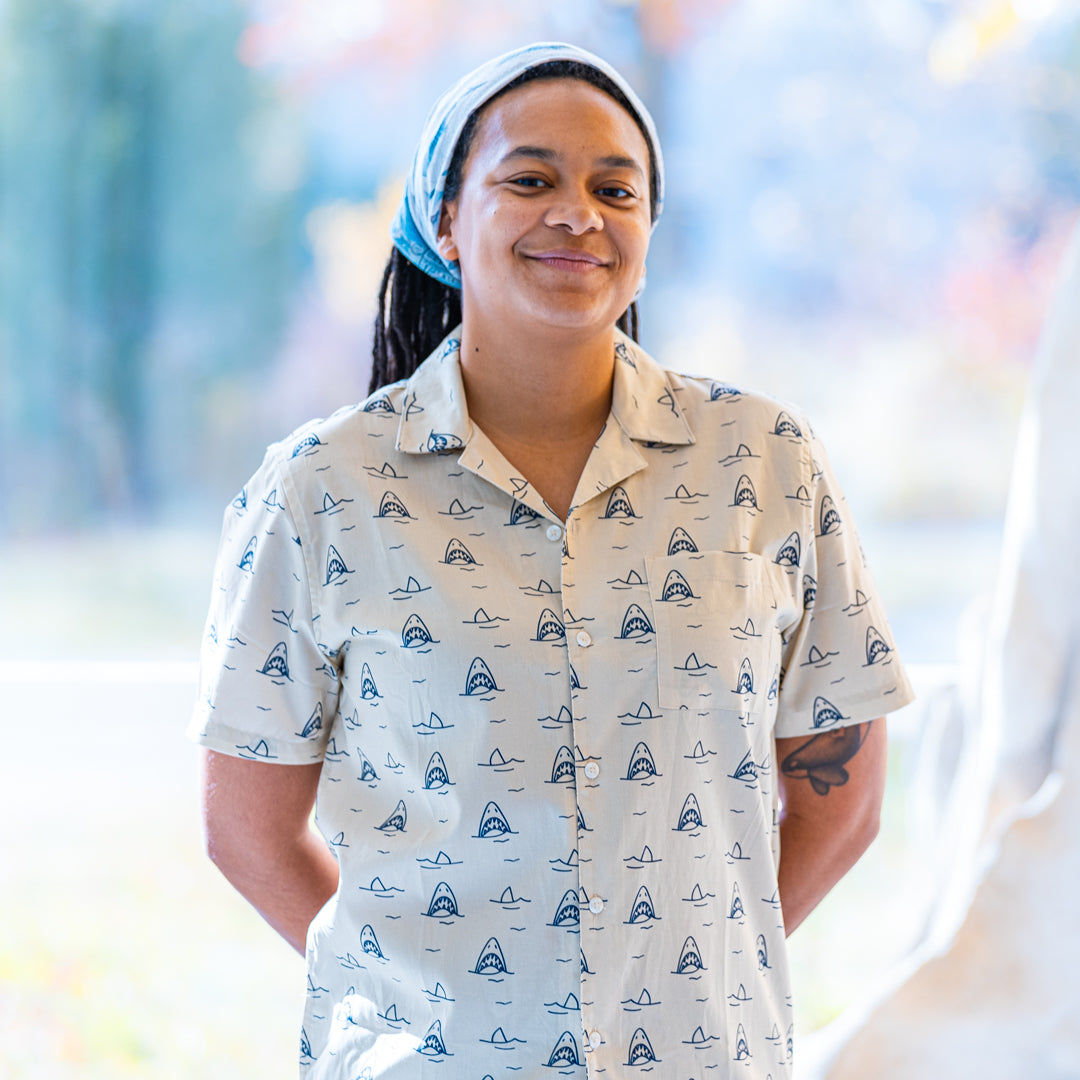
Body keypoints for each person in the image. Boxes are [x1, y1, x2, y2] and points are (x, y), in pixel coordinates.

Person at [190, 42, 915, 1080]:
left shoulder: (766, 461)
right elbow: (247, 830)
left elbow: (844, 799)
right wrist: (419, 1002)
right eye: (530, 180)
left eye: (615, 190)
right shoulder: (321, 490)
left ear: (648, 229)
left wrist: (686, 981)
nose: (578, 214)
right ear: (446, 218)